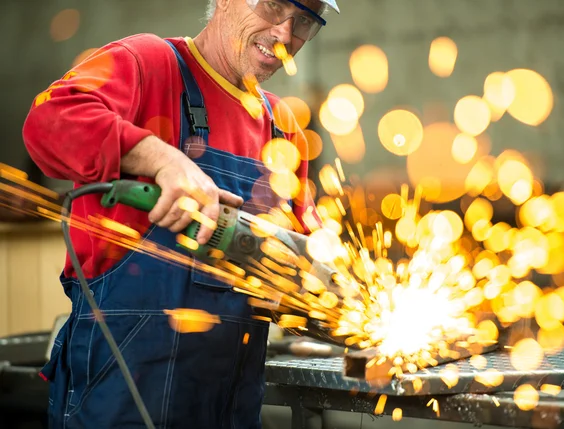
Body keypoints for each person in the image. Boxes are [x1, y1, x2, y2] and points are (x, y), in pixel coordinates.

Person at [22, 0, 340, 427]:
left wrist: (337, 293)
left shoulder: (281, 126)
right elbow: (48, 120)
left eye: (304, 20)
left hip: (229, 402)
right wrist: (160, 159)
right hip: (122, 394)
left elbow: (311, 254)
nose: (285, 35)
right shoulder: (149, 64)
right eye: (273, 6)